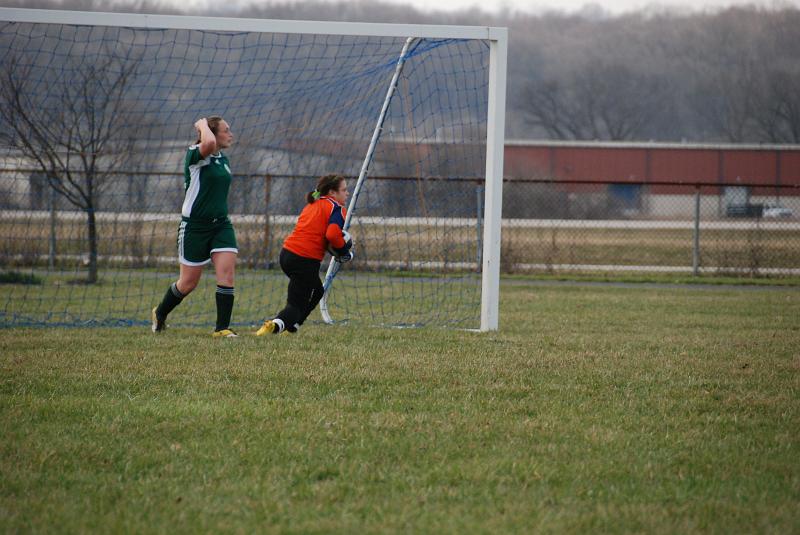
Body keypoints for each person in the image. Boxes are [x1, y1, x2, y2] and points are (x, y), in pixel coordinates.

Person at [151, 116, 239, 338]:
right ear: (211, 133)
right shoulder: (195, 154)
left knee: (226, 275)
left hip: (221, 226)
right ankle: (160, 313)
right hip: (194, 228)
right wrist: (201, 124)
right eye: (226, 130)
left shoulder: (223, 160)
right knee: (188, 283)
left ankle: (222, 329)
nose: (231, 135)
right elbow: (207, 145)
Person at [256, 174, 353, 336]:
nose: (347, 193)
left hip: (287, 254)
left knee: (317, 291)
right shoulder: (336, 208)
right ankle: (274, 325)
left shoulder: (312, 203)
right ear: (332, 193)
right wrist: (344, 253)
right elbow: (332, 235)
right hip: (305, 260)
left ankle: (294, 325)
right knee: (295, 307)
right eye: (344, 190)